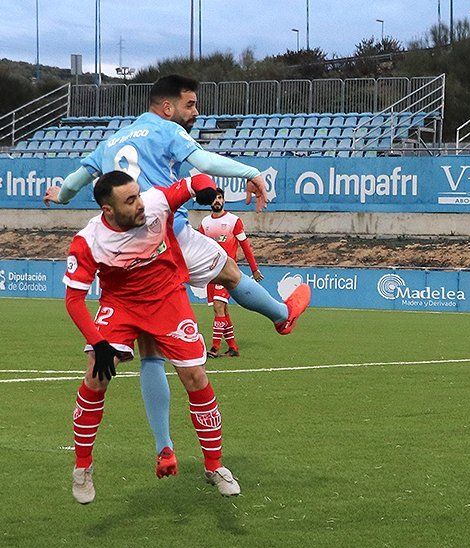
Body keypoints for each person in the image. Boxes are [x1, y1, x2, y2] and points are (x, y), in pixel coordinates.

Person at [44, 75, 311, 478]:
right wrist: (251, 171)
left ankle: (164, 448)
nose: (195, 112)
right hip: (166, 235)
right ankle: (280, 315)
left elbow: (72, 185)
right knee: (230, 272)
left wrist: (58, 197)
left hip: (126, 250)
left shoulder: (110, 142)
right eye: (190, 105)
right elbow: (203, 164)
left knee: (151, 349)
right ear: (167, 108)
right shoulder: (166, 130)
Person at [65, 171, 241, 504]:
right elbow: (73, 300)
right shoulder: (88, 241)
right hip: (121, 304)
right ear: (109, 211)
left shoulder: (157, 203)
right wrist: (99, 343)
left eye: (138, 195)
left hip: (167, 298)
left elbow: (196, 180)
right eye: (130, 200)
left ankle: (214, 466)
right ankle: (82, 466)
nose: (140, 203)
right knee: (96, 374)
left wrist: (206, 190)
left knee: (195, 375)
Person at [199, 188, 262, 358]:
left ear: (224, 200)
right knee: (222, 311)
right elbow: (197, 248)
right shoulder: (204, 223)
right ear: (210, 202)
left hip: (227, 272)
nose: (217, 201)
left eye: (220, 198)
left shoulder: (233, 221)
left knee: (219, 307)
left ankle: (214, 347)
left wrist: (254, 269)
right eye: (214, 198)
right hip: (211, 274)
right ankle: (233, 347)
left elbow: (245, 246)